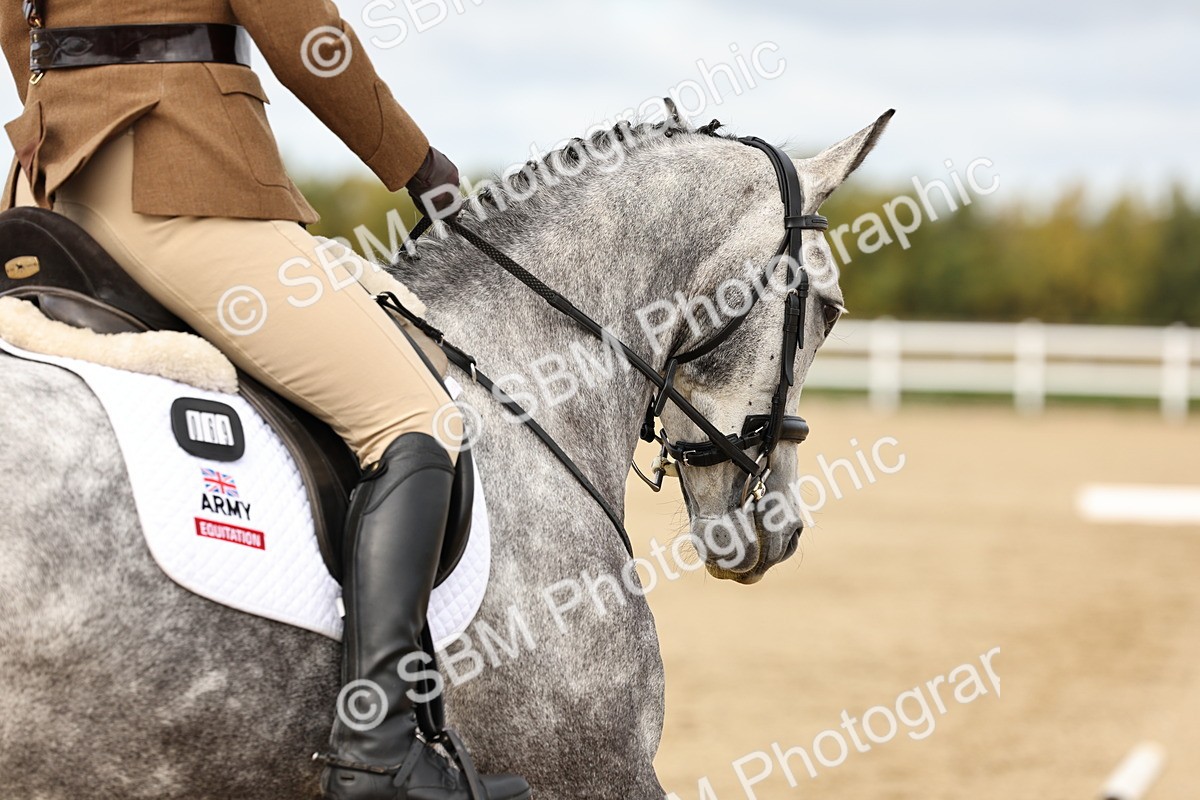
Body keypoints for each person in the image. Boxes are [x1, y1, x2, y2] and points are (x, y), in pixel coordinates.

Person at [0, 2, 529, 799]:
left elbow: (18, 28)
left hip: (53, 193)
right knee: (416, 417)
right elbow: (304, 39)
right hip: (179, 174)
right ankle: (377, 747)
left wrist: (71, 119)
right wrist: (420, 167)